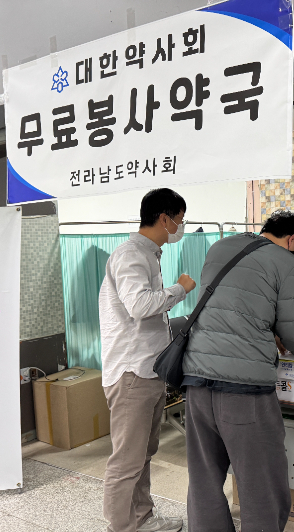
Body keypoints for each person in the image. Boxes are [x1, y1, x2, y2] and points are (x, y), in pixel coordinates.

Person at [182, 210, 294, 532]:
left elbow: (233, 310)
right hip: (243, 392)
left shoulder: (220, 247)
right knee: (260, 482)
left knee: (203, 476)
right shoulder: (288, 264)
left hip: (197, 381)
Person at [99, 188, 196, 532]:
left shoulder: (149, 255)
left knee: (143, 454)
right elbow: (139, 306)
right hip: (131, 374)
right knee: (127, 461)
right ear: (164, 218)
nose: (180, 227)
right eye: (180, 221)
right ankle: (122, 527)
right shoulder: (130, 256)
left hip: (147, 371)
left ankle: (141, 519)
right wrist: (180, 289)